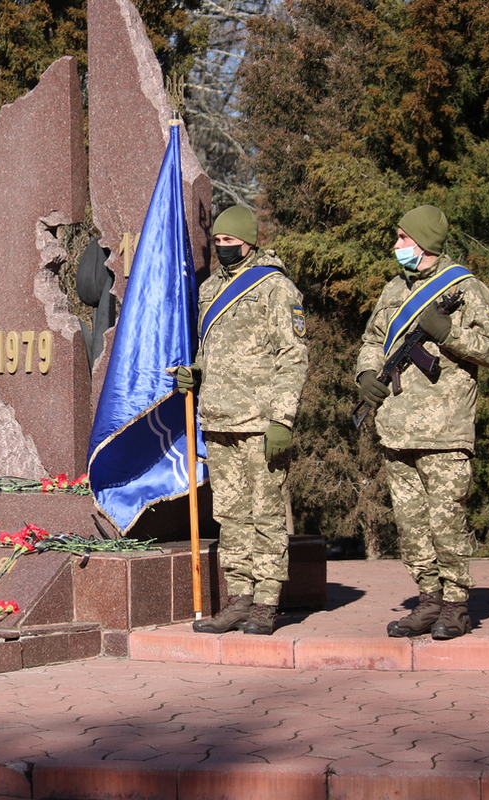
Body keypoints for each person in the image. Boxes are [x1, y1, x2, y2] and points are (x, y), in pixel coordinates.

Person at [355, 205, 489, 639]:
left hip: (444, 428)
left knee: (446, 521)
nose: (396, 246)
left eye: (402, 238)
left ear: (423, 243)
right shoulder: (393, 289)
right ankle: (428, 601)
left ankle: (457, 606)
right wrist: (367, 374)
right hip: (397, 426)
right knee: (411, 525)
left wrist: (448, 333)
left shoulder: (466, 288)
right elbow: (371, 340)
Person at [176, 205, 309, 636]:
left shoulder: (276, 288)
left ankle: (267, 603)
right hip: (219, 419)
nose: (222, 248)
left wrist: (282, 420)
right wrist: (195, 373)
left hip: (259, 422)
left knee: (265, 514)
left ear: (250, 242)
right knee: (230, 515)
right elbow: (210, 349)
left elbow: (293, 357)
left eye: (229, 242)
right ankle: (239, 598)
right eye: (216, 242)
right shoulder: (210, 288)